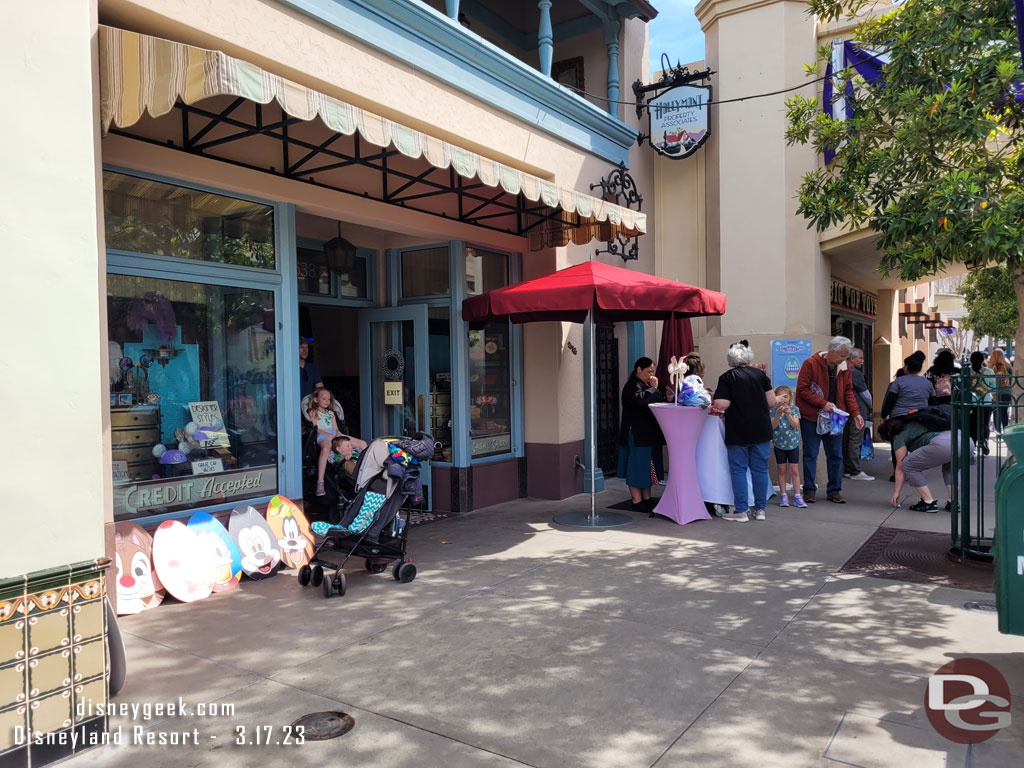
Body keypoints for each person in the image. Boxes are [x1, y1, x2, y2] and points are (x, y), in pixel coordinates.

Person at [712, 341, 775, 521]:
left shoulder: (727, 377)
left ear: (730, 359)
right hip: (761, 429)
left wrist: (716, 400)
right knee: (760, 469)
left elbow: (722, 404)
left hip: (738, 429)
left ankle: (741, 510)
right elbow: (771, 402)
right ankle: (760, 509)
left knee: (738, 469)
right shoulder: (760, 375)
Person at [795, 336, 863, 504]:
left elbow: (848, 392)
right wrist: (823, 403)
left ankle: (834, 490)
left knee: (836, 455)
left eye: (846, 357)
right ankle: (809, 490)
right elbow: (802, 390)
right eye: (842, 356)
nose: (844, 360)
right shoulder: (810, 364)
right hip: (812, 416)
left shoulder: (844, 366)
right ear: (831, 352)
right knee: (811, 454)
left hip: (836, 416)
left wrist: (856, 413)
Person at [886, 415, 968, 513]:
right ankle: (953, 503)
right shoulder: (921, 421)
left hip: (944, 444)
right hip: (965, 441)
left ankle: (928, 503)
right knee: (950, 468)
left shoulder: (899, 435)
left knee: (907, 465)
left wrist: (896, 492)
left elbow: (900, 467)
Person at [618, 357, 666, 513]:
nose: (651, 374)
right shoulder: (631, 386)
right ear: (639, 369)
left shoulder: (646, 385)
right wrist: (652, 389)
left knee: (648, 466)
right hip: (636, 432)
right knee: (637, 466)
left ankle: (646, 498)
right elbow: (638, 402)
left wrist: (658, 391)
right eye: (648, 371)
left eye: (652, 371)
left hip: (648, 432)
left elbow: (656, 401)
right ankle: (636, 500)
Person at [770, 385, 805, 508]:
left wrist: (789, 414)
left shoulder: (794, 409)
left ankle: (797, 495)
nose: (783, 399)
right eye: (781, 396)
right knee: (782, 470)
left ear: (790, 397)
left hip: (792, 444)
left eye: (786, 396)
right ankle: (783, 494)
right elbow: (773, 426)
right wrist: (779, 414)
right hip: (779, 444)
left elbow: (795, 425)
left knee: (794, 470)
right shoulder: (773, 410)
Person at [843, 348, 874, 481]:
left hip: (845, 410)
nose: (862, 361)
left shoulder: (841, 372)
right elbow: (865, 394)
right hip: (858, 410)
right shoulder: (855, 374)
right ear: (851, 358)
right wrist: (871, 406)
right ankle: (855, 470)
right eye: (860, 358)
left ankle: (848, 468)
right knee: (855, 440)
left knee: (847, 440)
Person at [309, 387, 343, 496]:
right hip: (322, 435)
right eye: (324, 399)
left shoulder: (331, 413)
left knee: (361, 444)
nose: (327, 401)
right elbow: (316, 429)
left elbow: (336, 429)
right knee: (326, 447)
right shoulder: (313, 412)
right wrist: (329, 435)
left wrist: (338, 434)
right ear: (315, 400)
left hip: (333, 434)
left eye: (329, 399)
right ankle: (320, 481)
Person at [968, 351, 996, 455]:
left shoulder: (966, 371)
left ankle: (972, 446)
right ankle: (984, 440)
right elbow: (994, 388)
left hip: (971, 402)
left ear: (970, 360)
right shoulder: (989, 371)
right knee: (984, 424)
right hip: (986, 401)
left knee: (972, 425)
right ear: (982, 360)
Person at [989, 348, 1014, 432]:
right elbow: (1012, 379)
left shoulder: (990, 367)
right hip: (1006, 391)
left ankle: (998, 432)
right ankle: (1006, 430)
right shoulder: (1008, 365)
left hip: (994, 392)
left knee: (996, 411)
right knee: (1004, 411)